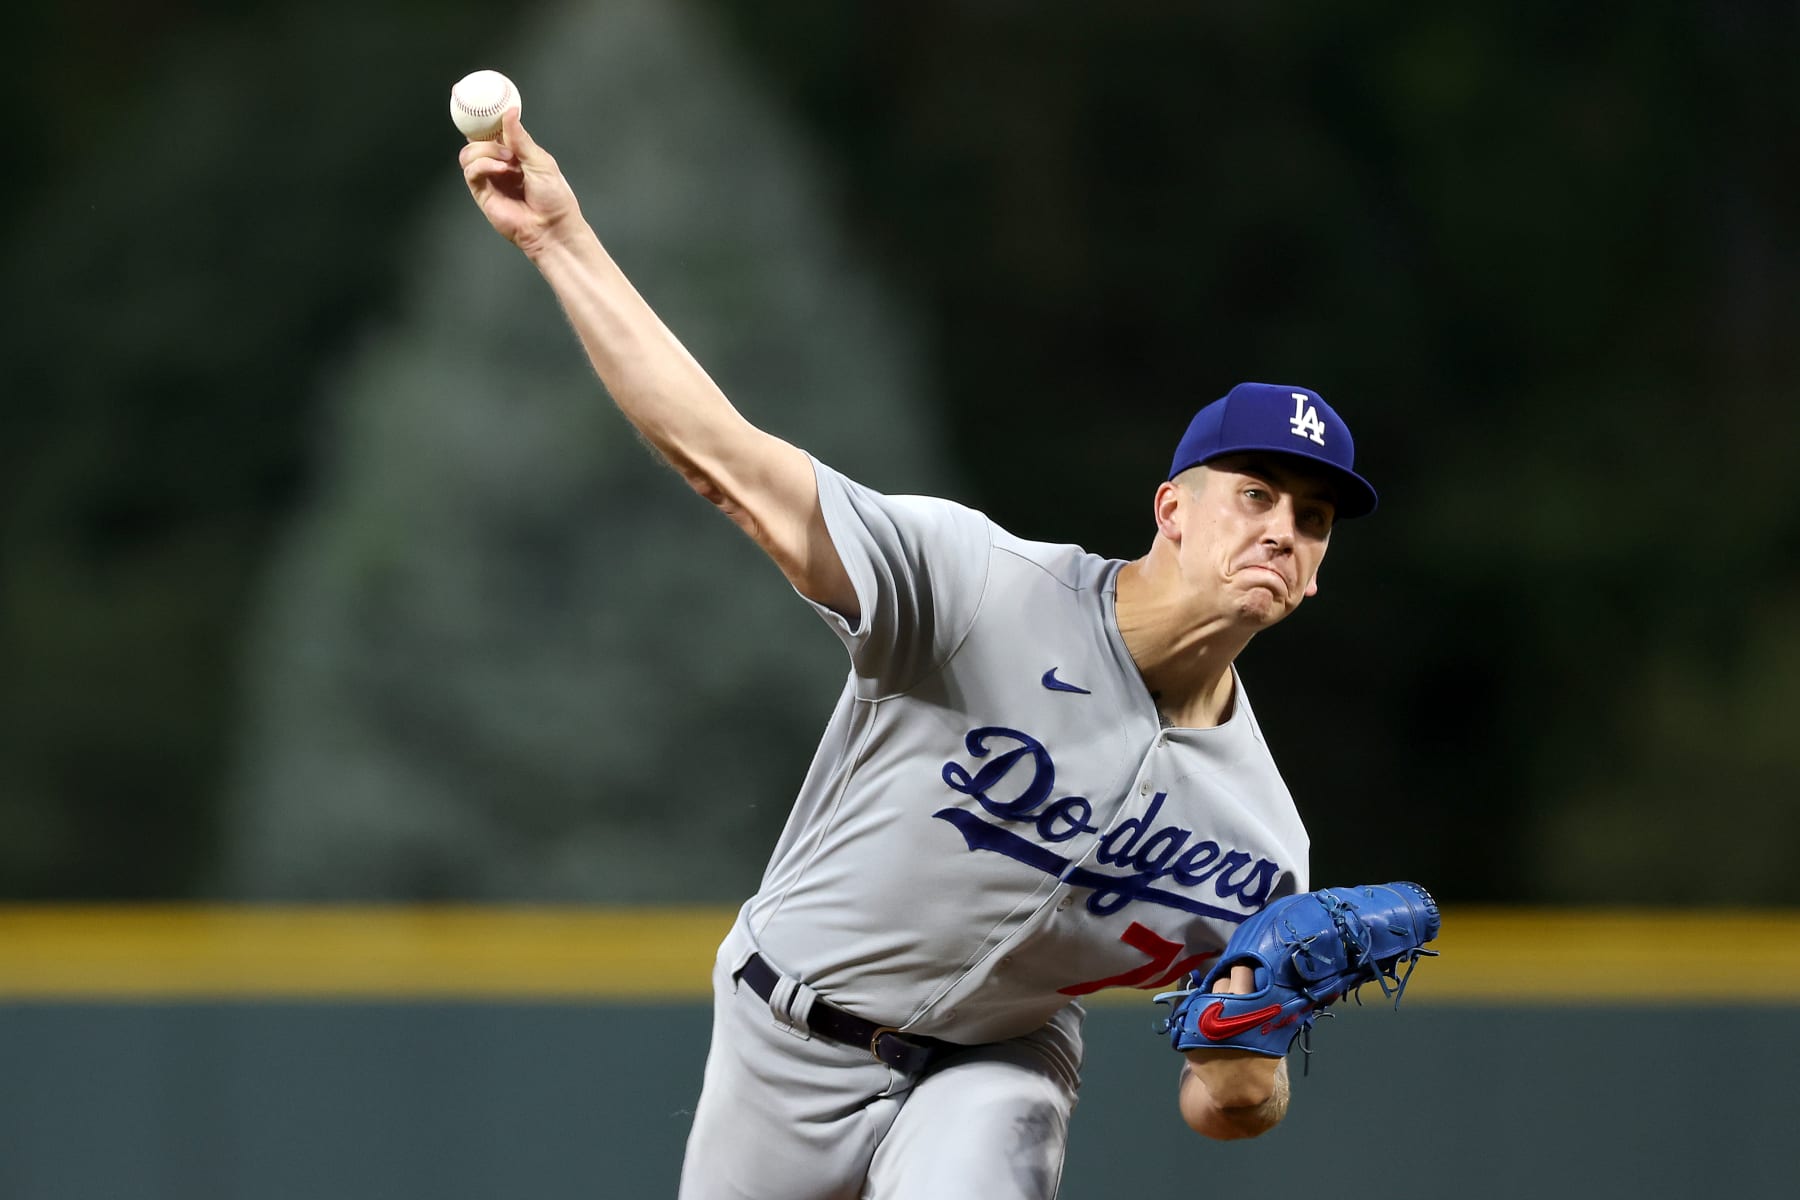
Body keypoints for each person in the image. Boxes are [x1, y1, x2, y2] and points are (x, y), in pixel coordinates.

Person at [460, 109, 1379, 1199]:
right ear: (1174, 508)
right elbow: (727, 464)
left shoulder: (1262, 841)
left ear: (1317, 570)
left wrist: (1256, 1039)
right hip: (783, 1032)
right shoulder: (975, 585)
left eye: (1313, 519)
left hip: (998, 1062)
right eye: (1257, 495)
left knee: (1000, 1129)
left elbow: (1224, 1101)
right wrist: (559, 240)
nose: (1282, 528)